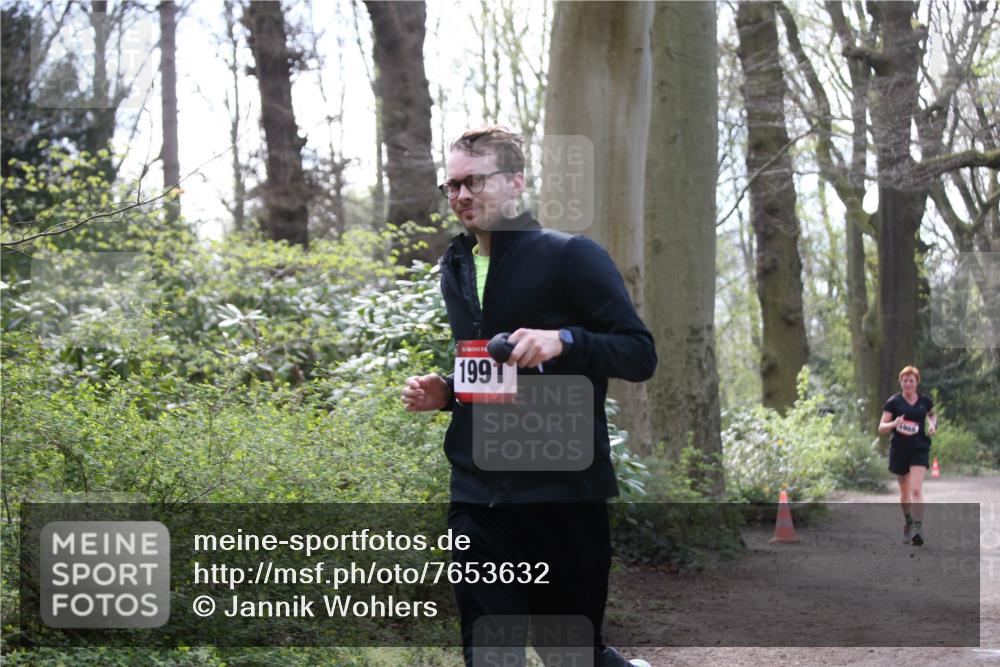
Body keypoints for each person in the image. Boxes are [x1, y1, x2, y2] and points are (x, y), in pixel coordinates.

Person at [401, 126, 655, 667]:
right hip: (477, 497)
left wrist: (563, 341)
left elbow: (638, 354)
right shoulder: (457, 267)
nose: (461, 196)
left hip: (561, 493)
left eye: (474, 181)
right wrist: (447, 393)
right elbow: (490, 366)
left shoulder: (571, 255)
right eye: (451, 185)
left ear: (515, 182)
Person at [878, 365, 938, 546]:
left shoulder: (924, 401)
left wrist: (933, 425)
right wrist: (894, 423)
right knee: (904, 494)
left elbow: (932, 415)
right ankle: (908, 522)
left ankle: (918, 530)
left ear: (917, 382)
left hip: (919, 448)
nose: (908, 383)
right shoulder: (893, 402)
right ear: (901, 382)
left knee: (916, 489)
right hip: (899, 451)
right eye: (905, 380)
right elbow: (881, 428)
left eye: (911, 380)